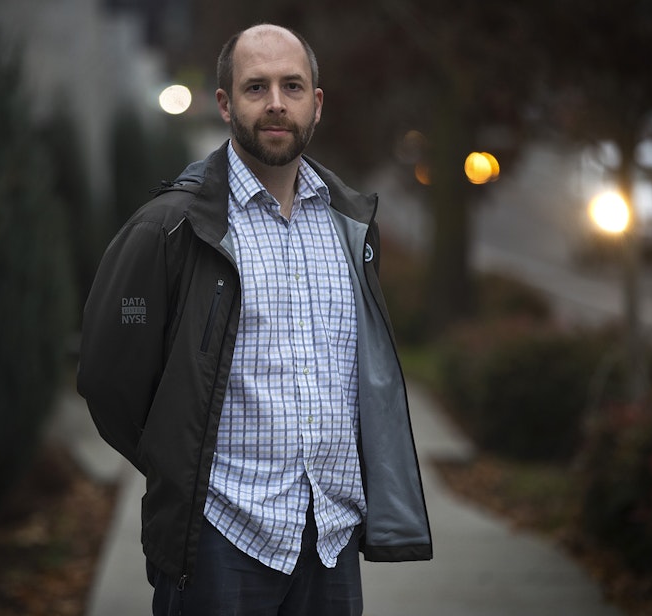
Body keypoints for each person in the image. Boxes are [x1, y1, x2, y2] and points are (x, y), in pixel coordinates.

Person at [77, 23, 432, 616]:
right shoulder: (169, 227)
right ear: (225, 103)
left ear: (316, 105)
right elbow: (109, 378)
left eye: (292, 86)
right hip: (218, 537)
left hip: (331, 540)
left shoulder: (350, 225)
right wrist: (179, 465)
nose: (275, 103)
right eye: (255, 87)